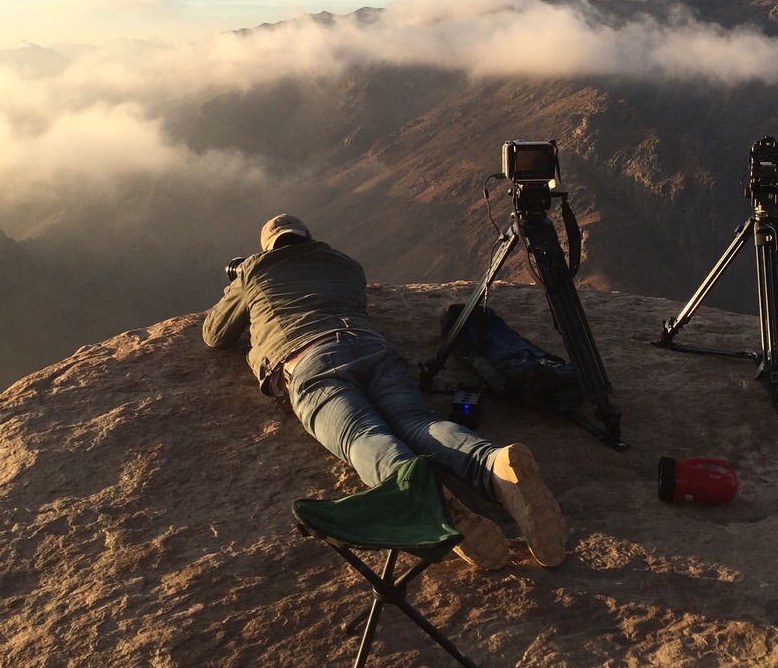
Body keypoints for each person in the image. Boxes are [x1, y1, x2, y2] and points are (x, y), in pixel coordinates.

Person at [202, 214, 567, 569]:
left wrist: (238, 284)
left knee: (362, 434)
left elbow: (215, 334)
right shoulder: (347, 265)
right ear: (309, 238)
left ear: (268, 248)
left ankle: (428, 501)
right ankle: (493, 464)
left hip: (309, 360)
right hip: (372, 347)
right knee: (416, 422)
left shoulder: (255, 268)